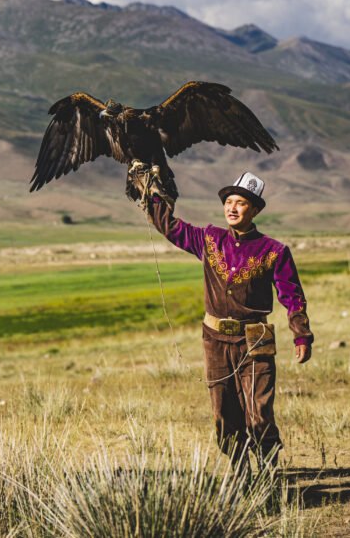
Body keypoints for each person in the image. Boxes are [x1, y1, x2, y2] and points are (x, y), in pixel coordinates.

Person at [134, 167, 313, 469]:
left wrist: (301, 334)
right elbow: (170, 227)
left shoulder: (275, 251)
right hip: (214, 340)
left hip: (255, 339)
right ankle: (241, 473)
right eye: (229, 201)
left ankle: (268, 472)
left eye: (241, 203)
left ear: (254, 210)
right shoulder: (209, 239)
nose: (232, 207)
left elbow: (291, 295)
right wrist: (150, 195)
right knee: (224, 415)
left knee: (259, 411)